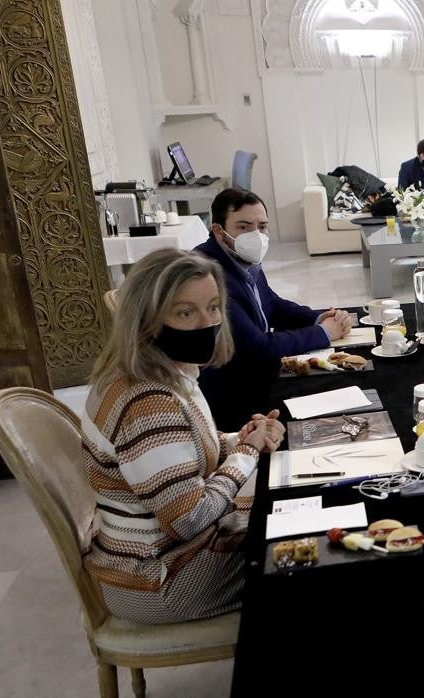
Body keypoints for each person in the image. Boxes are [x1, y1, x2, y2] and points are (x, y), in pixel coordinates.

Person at [81, 249, 285, 624]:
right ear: (147, 319)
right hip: (160, 578)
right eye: (185, 312)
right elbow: (189, 519)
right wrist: (245, 452)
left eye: (213, 307)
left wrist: (235, 439)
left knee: (291, 512)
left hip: (159, 557)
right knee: (305, 559)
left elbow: (176, 454)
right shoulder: (147, 400)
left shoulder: (152, 372)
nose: (206, 322)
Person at [195, 189, 352, 429]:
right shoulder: (210, 277)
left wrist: (320, 317)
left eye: (263, 226)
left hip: (258, 377)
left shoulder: (239, 257)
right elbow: (259, 348)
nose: (256, 235)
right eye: (244, 227)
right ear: (218, 231)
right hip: (233, 399)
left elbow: (272, 304)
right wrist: (324, 333)